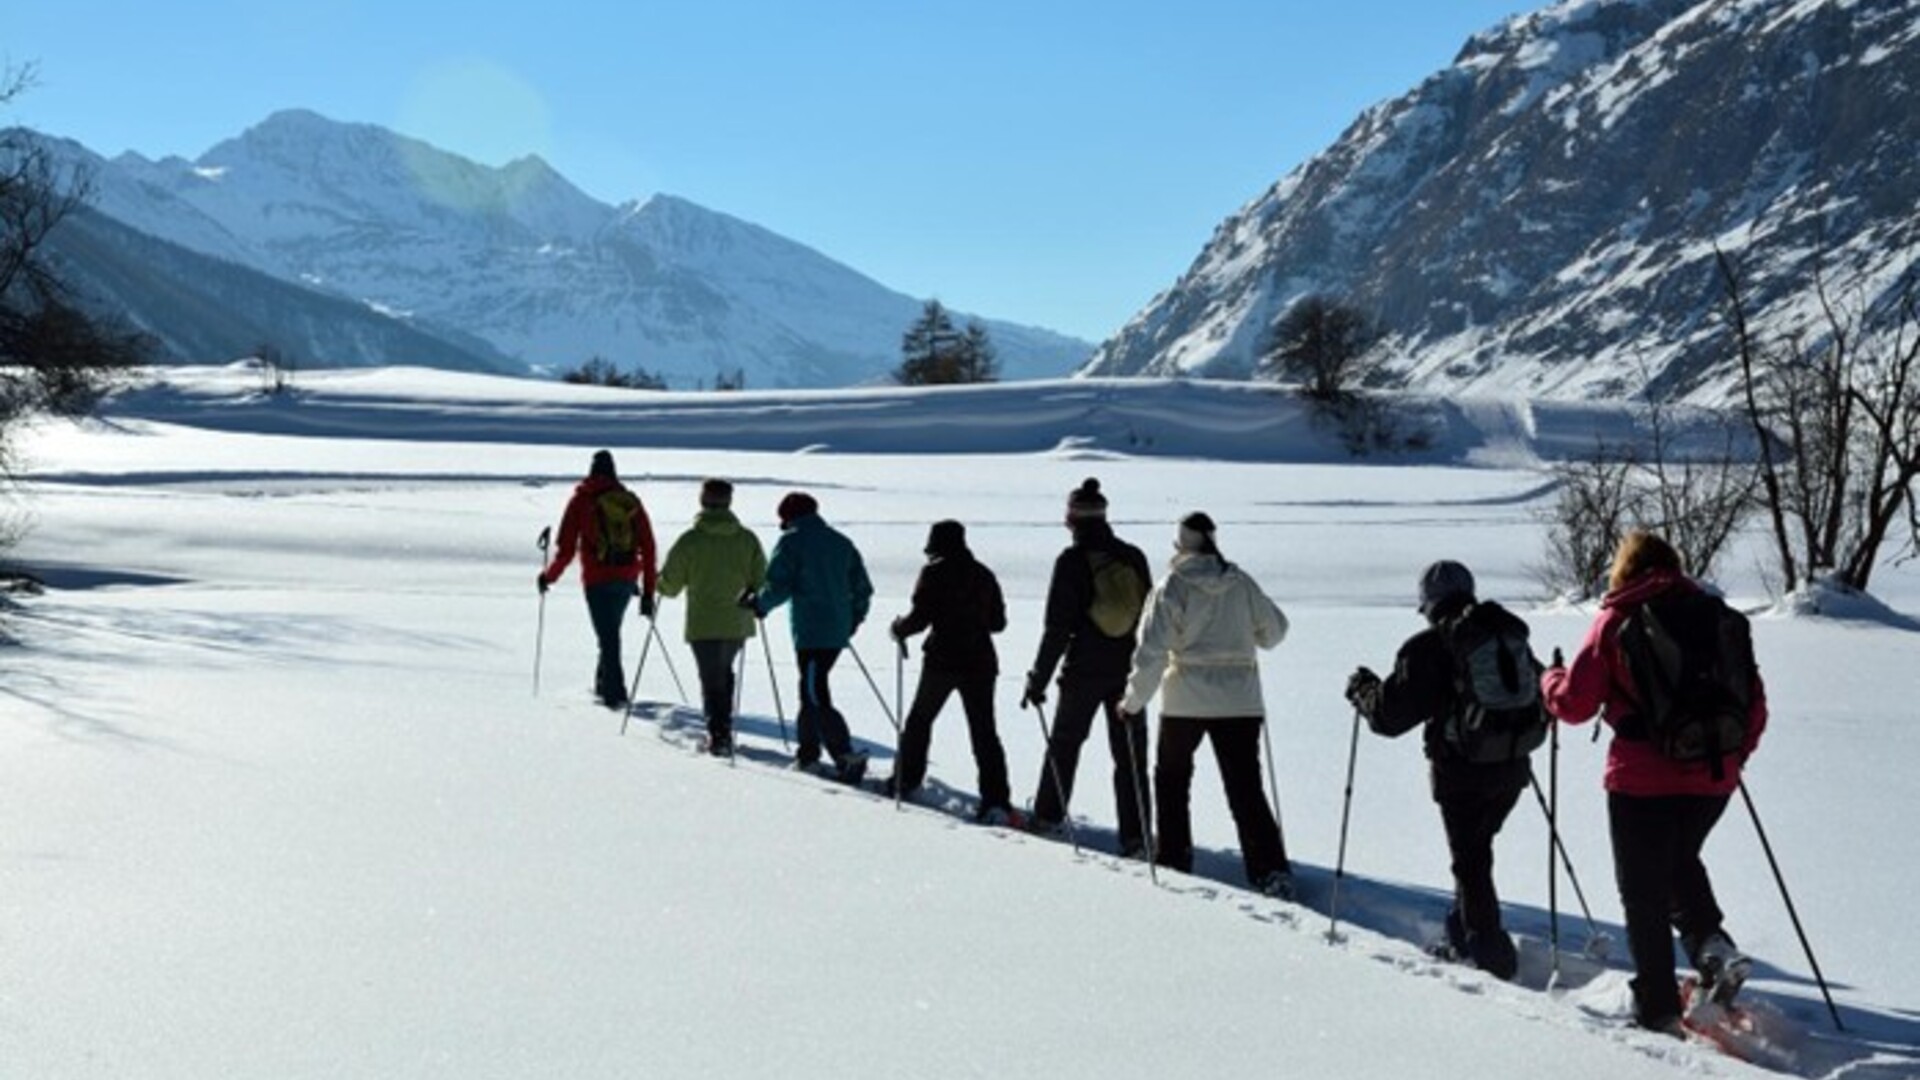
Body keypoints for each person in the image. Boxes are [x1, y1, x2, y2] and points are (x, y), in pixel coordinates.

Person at [1540, 530, 1766, 1035]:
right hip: (1713, 780)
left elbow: (1575, 704)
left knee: (1643, 890)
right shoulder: (1717, 619)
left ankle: (1658, 1008)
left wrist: (1548, 682)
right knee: (1679, 862)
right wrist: (1731, 760)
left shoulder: (1616, 620)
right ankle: (1713, 950)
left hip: (1640, 781)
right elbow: (1755, 704)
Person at [1343, 560, 1534, 979]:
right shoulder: (1506, 632)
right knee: (1476, 853)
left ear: (1429, 603)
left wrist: (1363, 692)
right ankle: (1462, 931)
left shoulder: (1428, 647)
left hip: (1461, 771)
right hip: (1513, 766)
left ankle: (1490, 955)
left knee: (1471, 861)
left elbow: (1390, 718)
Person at [1119, 512, 1293, 897]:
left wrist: (1132, 702)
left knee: (1172, 781)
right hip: (1240, 701)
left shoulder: (1172, 587)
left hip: (1184, 701)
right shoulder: (1240, 582)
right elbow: (1275, 632)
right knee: (1246, 787)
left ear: (1180, 544)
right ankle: (1270, 871)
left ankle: (1174, 861)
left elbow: (1151, 652)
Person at [1022, 477, 1154, 857]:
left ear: (1071, 519)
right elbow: (1149, 617)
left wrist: (1038, 678)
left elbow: (1057, 629)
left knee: (1064, 745)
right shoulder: (1133, 556)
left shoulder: (1071, 562)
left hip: (1083, 670)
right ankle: (1137, 837)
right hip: (1128, 669)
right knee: (1130, 754)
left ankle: (1047, 817)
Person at [883, 520, 1017, 823]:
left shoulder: (933, 573)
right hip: (981, 661)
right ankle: (996, 800)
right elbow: (998, 623)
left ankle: (905, 781)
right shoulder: (983, 574)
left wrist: (898, 628)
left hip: (943, 659)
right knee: (984, 731)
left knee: (919, 721)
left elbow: (920, 618)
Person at [743, 491, 874, 783]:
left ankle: (843, 755)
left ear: (788, 517)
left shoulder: (792, 542)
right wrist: (853, 619)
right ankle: (808, 753)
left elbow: (779, 584)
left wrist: (759, 605)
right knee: (810, 689)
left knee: (815, 692)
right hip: (836, 631)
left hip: (811, 631)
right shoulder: (841, 542)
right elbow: (863, 588)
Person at [655, 478, 767, 756]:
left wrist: (657, 584)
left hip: (703, 622)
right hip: (737, 621)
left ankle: (719, 735)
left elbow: (670, 586)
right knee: (723, 674)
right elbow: (762, 580)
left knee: (711, 678)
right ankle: (722, 729)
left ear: (702, 502)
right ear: (729, 502)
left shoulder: (691, 540)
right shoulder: (747, 539)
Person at [538, 449, 657, 708]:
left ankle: (615, 697)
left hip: (597, 579)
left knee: (608, 637)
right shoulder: (629, 501)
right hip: (626, 577)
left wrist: (549, 577)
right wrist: (648, 592)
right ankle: (603, 687)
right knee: (609, 633)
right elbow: (648, 547)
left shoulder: (581, 500)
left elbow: (566, 549)